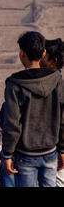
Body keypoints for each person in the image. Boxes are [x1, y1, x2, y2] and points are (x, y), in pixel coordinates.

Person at [3, 31, 63, 187]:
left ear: (21, 53)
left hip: (25, 154)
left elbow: (12, 123)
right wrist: (62, 149)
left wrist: (8, 154)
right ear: (43, 53)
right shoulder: (57, 80)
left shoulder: (14, 84)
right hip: (50, 151)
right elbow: (63, 118)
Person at [40, 38, 64, 187]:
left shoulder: (57, 87)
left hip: (55, 150)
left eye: (44, 55)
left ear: (53, 60)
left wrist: (62, 149)